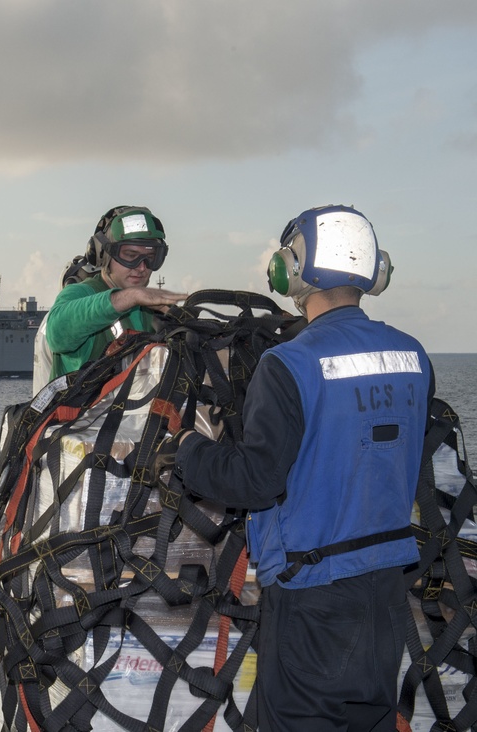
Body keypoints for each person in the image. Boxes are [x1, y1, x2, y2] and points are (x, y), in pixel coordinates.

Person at [165, 204, 434, 731]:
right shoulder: (413, 356)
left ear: (293, 270)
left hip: (314, 594)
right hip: (385, 588)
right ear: (373, 271)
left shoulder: (289, 363)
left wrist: (187, 451)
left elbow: (257, 481)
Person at [42, 205, 187, 382]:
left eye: (150, 257)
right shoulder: (81, 293)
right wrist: (129, 297)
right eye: (130, 255)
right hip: (85, 409)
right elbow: (57, 334)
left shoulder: (154, 309)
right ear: (104, 255)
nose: (141, 267)